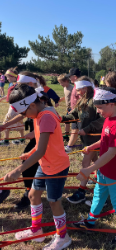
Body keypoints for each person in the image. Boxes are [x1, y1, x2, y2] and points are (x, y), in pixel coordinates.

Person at [4, 83, 72, 249]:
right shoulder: (39, 112)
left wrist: (18, 170)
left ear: (32, 105)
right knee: (33, 195)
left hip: (56, 166)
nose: (23, 116)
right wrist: (30, 152)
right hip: (45, 164)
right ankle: (36, 230)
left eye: (23, 112)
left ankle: (63, 237)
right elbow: (41, 145)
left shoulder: (46, 117)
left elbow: (41, 150)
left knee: (54, 202)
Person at [73, 86, 116, 246]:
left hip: (114, 172)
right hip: (103, 170)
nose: (98, 111)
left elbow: (111, 153)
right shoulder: (108, 119)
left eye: (100, 107)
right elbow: (105, 140)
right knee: (98, 196)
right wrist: (92, 147)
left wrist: (88, 169)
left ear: (112, 104)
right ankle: (91, 221)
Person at [0, 72, 51, 210]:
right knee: (30, 161)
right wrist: (5, 125)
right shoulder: (29, 97)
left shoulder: (40, 98)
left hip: (44, 137)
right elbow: (23, 115)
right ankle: (32, 189)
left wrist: (35, 132)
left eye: (20, 85)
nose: (18, 87)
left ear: (29, 84)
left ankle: (32, 191)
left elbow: (51, 116)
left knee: (32, 163)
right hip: (38, 134)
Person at [61, 76, 104, 204]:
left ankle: (81, 191)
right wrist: (61, 118)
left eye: (78, 90)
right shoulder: (82, 100)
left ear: (85, 88)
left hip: (94, 138)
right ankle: (101, 182)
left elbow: (102, 119)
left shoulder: (95, 100)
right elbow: (74, 114)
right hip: (86, 139)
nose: (77, 92)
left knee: (86, 164)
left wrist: (88, 128)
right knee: (96, 161)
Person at [0, 67, 25, 146]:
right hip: (18, 107)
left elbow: (12, 97)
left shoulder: (16, 85)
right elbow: (9, 95)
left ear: (13, 76)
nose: (7, 78)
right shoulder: (15, 84)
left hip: (14, 108)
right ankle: (22, 140)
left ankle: (6, 141)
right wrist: (2, 98)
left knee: (5, 124)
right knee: (19, 123)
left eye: (8, 77)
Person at [64, 68, 81, 153]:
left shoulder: (80, 86)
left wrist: (75, 110)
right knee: (74, 129)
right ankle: (69, 147)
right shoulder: (75, 85)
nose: (69, 78)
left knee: (81, 130)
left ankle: (87, 148)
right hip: (75, 112)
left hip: (80, 112)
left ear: (75, 76)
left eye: (70, 77)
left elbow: (82, 100)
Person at [57, 74, 73, 142]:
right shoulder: (65, 88)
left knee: (74, 123)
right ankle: (66, 136)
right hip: (68, 108)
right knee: (66, 122)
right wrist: (60, 99)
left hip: (72, 108)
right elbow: (66, 96)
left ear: (66, 81)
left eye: (61, 82)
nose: (60, 84)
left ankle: (74, 135)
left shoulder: (72, 88)